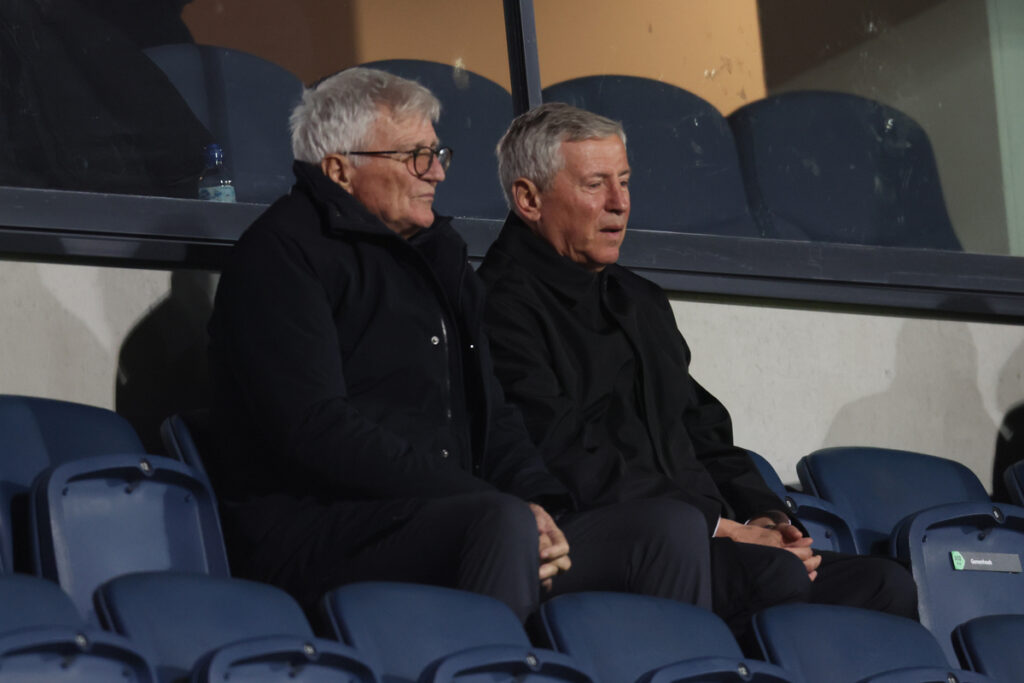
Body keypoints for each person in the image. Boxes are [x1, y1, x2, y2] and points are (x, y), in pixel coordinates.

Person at [206, 69, 711, 621]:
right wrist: (482, 501)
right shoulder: (280, 255)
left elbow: (495, 418)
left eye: (437, 152)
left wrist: (545, 508)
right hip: (321, 533)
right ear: (339, 169)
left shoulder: (441, 259)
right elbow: (317, 429)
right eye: (416, 156)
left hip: (460, 515)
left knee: (667, 529)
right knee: (498, 524)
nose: (439, 172)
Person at [477, 102, 919, 639]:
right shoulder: (498, 305)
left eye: (625, 182)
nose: (620, 204)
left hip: (720, 539)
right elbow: (566, 456)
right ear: (529, 198)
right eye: (596, 185)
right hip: (626, 541)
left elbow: (706, 432)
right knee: (770, 574)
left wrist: (765, 517)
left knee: (885, 585)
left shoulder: (639, 300)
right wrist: (724, 528)